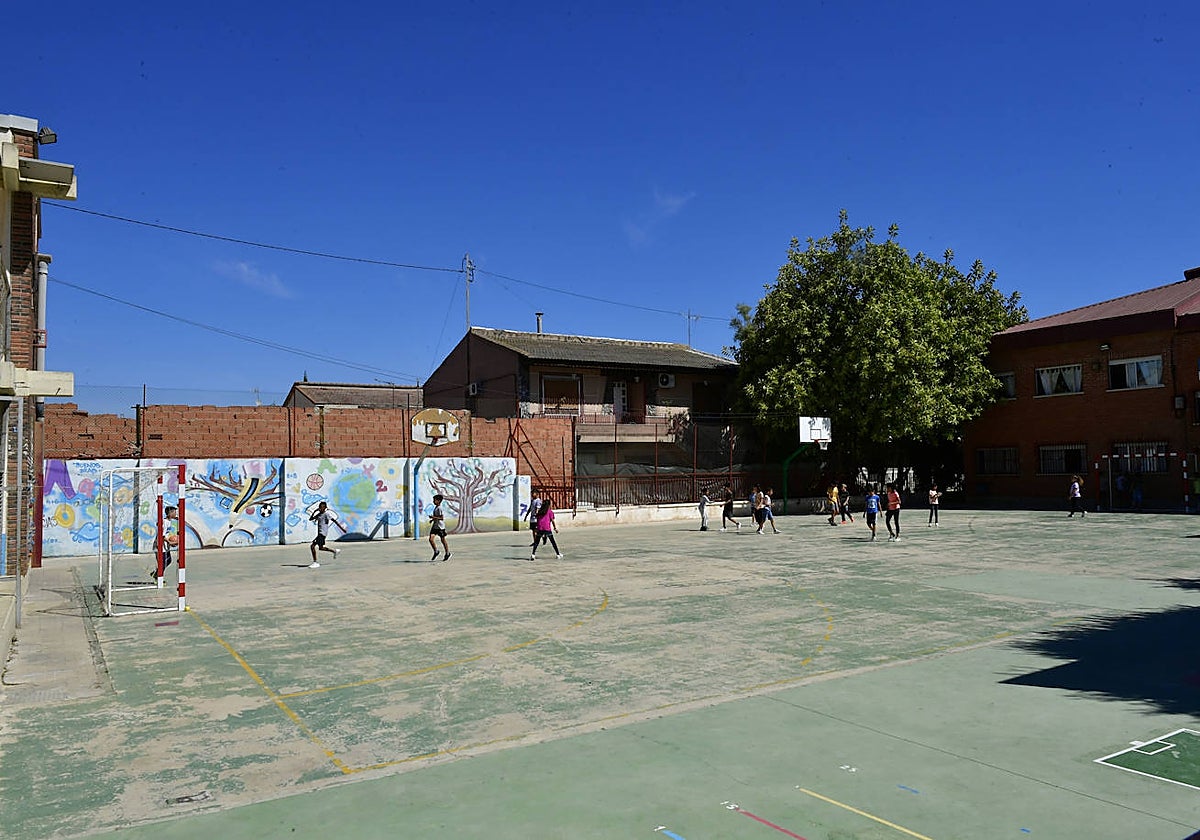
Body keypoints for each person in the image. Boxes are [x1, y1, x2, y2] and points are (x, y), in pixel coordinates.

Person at [309, 501, 344, 568]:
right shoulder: (319, 514)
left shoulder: (326, 514)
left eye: (322, 507)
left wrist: (342, 528)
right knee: (321, 548)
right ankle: (335, 551)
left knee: (312, 546)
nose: (320, 508)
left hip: (322, 533)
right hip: (320, 533)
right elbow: (311, 519)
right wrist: (314, 512)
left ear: (325, 508)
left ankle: (315, 562)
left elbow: (334, 521)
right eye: (320, 507)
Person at [151, 505, 179, 580]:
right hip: (160, 545)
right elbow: (161, 535)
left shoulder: (169, 521)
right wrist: (169, 542)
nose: (175, 514)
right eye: (174, 512)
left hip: (165, 545)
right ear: (170, 513)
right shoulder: (165, 522)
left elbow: (166, 534)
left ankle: (156, 573)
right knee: (162, 563)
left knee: (168, 560)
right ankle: (158, 578)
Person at [428, 494, 451, 561]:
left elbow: (441, 518)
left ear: (439, 501)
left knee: (443, 540)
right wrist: (432, 520)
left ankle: (447, 553)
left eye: (435, 500)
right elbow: (437, 517)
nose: (433, 501)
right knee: (431, 539)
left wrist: (433, 517)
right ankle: (436, 551)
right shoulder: (436, 508)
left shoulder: (440, 508)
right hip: (435, 527)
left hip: (440, 527)